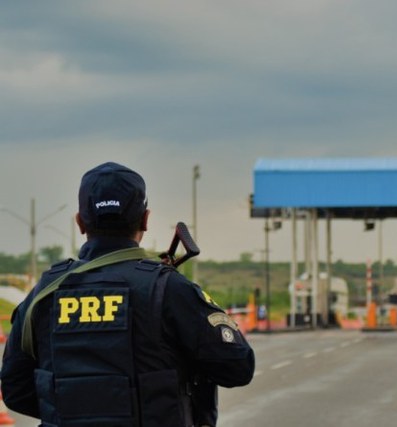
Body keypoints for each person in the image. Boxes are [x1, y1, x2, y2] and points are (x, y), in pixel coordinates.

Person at [1, 162, 255, 426]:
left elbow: (16, 390)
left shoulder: (44, 293)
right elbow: (238, 367)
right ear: (145, 219)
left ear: (79, 222)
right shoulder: (168, 289)